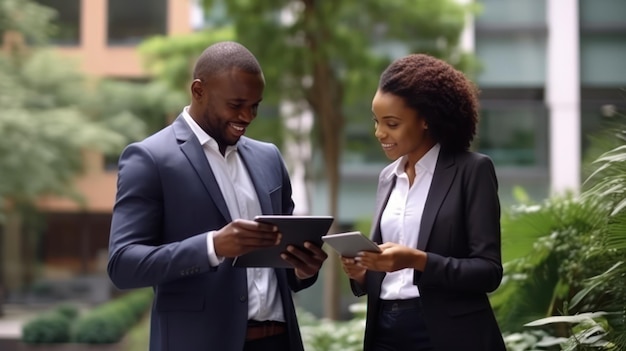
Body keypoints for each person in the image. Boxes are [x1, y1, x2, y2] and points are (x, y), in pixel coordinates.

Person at [107, 41, 328, 351]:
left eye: (255, 105)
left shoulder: (269, 158)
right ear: (199, 90)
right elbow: (123, 265)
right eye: (236, 104)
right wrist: (212, 246)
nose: (248, 116)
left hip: (279, 342)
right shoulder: (150, 159)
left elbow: (285, 265)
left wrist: (303, 269)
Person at [340, 54, 506, 351]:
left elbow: (488, 271)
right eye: (376, 121)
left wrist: (417, 260)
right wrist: (364, 274)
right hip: (384, 331)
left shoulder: (472, 171)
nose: (380, 133)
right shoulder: (387, 177)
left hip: (448, 333)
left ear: (426, 119)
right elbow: (386, 275)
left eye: (392, 123)